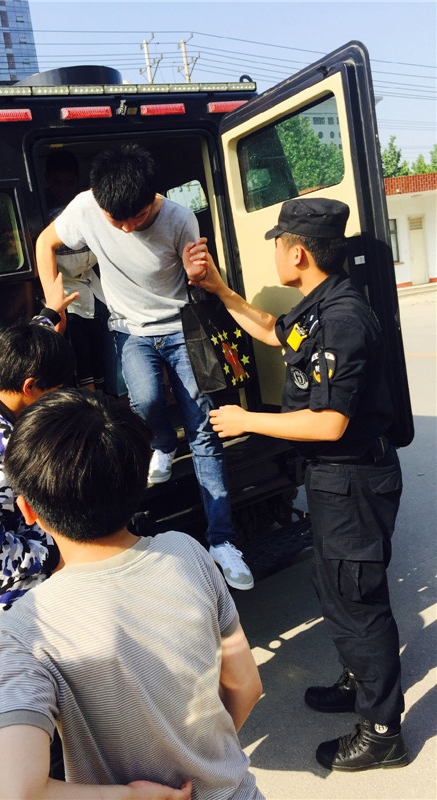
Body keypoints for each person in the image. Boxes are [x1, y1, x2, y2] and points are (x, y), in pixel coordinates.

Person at [185, 197, 409, 772]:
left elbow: (329, 422)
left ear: (299, 253)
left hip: (355, 479)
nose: (277, 253)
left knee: (358, 601)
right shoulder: (318, 306)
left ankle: (383, 732)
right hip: (335, 479)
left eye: (280, 244)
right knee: (334, 587)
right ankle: (360, 681)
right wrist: (219, 289)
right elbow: (271, 331)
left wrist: (247, 420)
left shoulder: (343, 319)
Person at [0, 388, 264, 800]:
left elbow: (13, 794)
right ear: (137, 482)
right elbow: (246, 685)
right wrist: (204, 759)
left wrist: (131, 796)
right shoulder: (187, 552)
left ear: (28, 511)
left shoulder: (27, 628)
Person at [36, 143, 254, 591]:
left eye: (134, 218)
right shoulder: (86, 208)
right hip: (129, 329)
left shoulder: (179, 218)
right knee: (147, 401)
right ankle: (163, 444)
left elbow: (198, 280)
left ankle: (223, 541)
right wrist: (51, 300)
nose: (124, 227)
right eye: (114, 219)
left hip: (181, 328)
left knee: (204, 430)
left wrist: (197, 272)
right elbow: (45, 242)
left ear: (151, 199)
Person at [0, 302, 77, 628]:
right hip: (11, 596)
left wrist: (48, 317)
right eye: (56, 389)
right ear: (30, 387)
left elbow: (22, 353)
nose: (59, 395)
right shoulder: (3, 457)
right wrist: (51, 556)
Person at [44, 150, 107, 390]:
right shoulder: (41, 209)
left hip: (93, 289)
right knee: (79, 355)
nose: (63, 189)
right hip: (64, 292)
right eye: (57, 183)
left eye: (69, 183)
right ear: (47, 179)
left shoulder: (86, 206)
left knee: (99, 349)